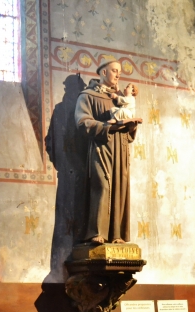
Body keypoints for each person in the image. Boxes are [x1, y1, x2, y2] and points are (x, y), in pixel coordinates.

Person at [75, 60, 140, 244]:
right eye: (114, 71)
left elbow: (129, 130)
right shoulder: (88, 96)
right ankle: (97, 232)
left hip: (120, 149)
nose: (118, 75)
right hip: (101, 147)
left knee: (120, 187)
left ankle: (116, 235)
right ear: (103, 72)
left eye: (119, 71)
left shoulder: (119, 97)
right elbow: (81, 122)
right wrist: (106, 127)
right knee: (102, 185)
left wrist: (131, 125)